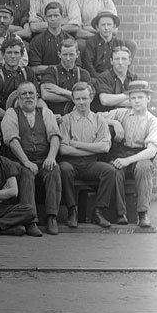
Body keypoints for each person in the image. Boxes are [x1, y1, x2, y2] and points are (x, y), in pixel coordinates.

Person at [0, 81, 61, 236]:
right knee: (26, 173)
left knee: (54, 169)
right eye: (24, 94)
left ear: (37, 96)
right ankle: (30, 220)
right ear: (18, 98)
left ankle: (52, 217)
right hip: (20, 160)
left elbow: (54, 136)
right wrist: (26, 161)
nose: (28, 97)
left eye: (31, 93)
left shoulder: (46, 113)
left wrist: (51, 157)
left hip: (43, 158)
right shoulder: (11, 113)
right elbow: (12, 140)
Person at [102, 80, 157, 228]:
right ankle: (120, 213)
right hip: (120, 153)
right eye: (133, 98)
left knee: (144, 167)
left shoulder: (154, 122)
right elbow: (97, 117)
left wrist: (128, 161)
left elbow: (151, 150)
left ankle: (143, 214)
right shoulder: (121, 113)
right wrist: (114, 123)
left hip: (140, 155)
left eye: (140, 97)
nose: (136, 101)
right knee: (114, 168)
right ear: (129, 100)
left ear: (148, 98)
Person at [57, 82, 117, 228]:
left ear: (91, 98)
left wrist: (77, 144)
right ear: (73, 100)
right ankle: (72, 211)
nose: (81, 102)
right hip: (71, 162)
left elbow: (104, 148)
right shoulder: (66, 120)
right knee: (64, 169)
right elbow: (63, 150)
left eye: (84, 98)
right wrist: (93, 148)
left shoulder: (99, 120)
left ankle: (97, 212)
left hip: (91, 163)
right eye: (78, 99)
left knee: (109, 171)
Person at [40, 38, 91, 115]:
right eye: (65, 54)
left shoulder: (83, 74)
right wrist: (76, 97)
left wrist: (60, 91)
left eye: (71, 54)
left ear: (77, 54)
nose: (68, 58)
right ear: (59, 54)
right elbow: (46, 95)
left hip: (76, 116)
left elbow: (87, 98)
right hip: (54, 116)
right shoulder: (51, 71)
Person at [0, 39, 35, 120]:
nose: (13, 56)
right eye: (9, 52)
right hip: (6, 119)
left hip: (29, 118)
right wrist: (14, 119)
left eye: (16, 53)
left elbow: (38, 99)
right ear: (3, 54)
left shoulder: (28, 72)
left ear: (21, 55)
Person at [81, 11, 135, 76]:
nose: (106, 28)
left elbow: (123, 65)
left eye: (109, 25)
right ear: (97, 27)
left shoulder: (119, 43)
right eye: (103, 25)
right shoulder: (91, 43)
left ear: (114, 26)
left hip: (114, 77)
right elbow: (88, 65)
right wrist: (99, 78)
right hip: (96, 78)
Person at [28, 2, 75, 74]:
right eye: (50, 16)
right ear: (45, 18)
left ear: (62, 17)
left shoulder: (70, 39)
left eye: (56, 15)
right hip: (46, 78)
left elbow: (77, 65)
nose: (53, 19)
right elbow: (34, 68)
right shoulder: (36, 41)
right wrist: (59, 68)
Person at [90, 45, 139, 112]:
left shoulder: (135, 79)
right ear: (111, 61)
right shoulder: (104, 77)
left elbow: (140, 102)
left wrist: (114, 101)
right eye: (117, 59)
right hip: (108, 117)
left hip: (130, 116)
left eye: (124, 59)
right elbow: (105, 100)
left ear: (129, 61)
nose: (120, 62)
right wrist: (127, 95)